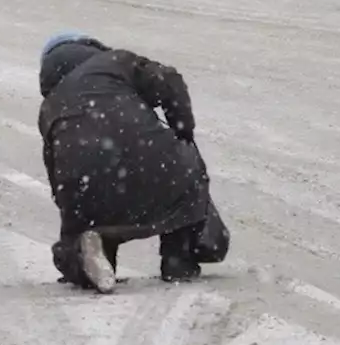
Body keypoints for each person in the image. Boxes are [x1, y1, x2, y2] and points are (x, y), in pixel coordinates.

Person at [37, 33, 231, 294]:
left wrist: (74, 230)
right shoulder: (115, 62)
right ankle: (179, 259)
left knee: (85, 224)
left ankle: (88, 258)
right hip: (155, 166)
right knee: (185, 174)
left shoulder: (50, 107)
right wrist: (181, 128)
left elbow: (59, 181)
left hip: (89, 191)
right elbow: (170, 80)